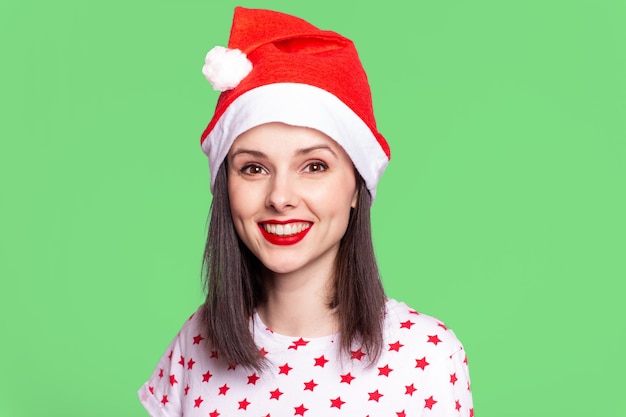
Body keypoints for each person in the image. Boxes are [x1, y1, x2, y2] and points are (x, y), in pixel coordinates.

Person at [138, 7, 473, 417]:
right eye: (253, 168)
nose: (280, 197)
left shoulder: (427, 358)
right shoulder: (196, 343)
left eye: (314, 166)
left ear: (357, 185)